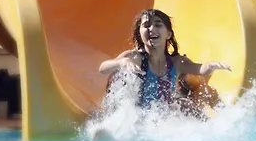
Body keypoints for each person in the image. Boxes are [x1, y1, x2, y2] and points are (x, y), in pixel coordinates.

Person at [98, 8, 231, 112]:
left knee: (189, 101)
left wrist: (212, 66)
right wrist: (122, 62)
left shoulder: (176, 62)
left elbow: (200, 69)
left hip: (164, 116)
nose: (152, 29)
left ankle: (224, 118)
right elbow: (103, 68)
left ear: (168, 34)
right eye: (146, 25)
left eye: (158, 25)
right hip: (137, 115)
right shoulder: (136, 57)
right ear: (139, 33)